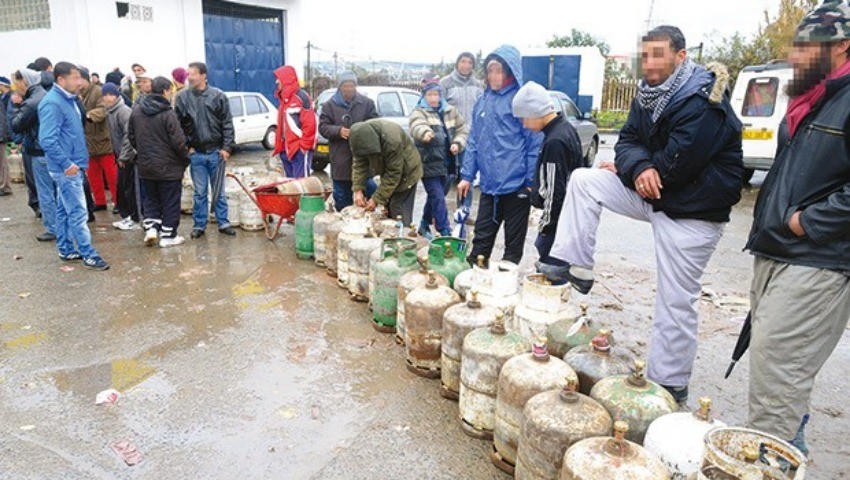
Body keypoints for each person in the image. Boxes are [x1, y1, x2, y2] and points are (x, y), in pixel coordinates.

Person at [540, 26, 743, 406]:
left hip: (692, 210)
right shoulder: (648, 96)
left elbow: (677, 166)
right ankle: (577, 267)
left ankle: (670, 383)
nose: (649, 63)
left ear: (681, 56)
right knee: (585, 179)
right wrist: (636, 168)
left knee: (675, 299)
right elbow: (628, 142)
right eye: (645, 54)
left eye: (658, 54)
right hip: (654, 193)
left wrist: (639, 168)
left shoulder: (704, 101)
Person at [744, 1, 850, 455]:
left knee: (778, 373)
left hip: (819, 258)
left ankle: (771, 461)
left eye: (808, 45)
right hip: (779, 249)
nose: (795, 55)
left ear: (842, 45)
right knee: (778, 372)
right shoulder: (813, 96)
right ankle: (789, 450)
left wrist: (808, 222)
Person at [457, 45, 542, 265]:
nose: (494, 76)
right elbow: (474, 140)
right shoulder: (483, 101)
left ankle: (504, 290)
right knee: (480, 243)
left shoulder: (520, 101)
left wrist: (531, 181)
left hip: (517, 186)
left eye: (499, 70)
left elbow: (533, 142)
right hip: (489, 186)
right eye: (490, 70)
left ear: (510, 72)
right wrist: (467, 175)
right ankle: (475, 282)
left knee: (512, 248)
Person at [38, 62, 108, 270]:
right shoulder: (53, 103)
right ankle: (89, 254)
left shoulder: (69, 100)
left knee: (64, 209)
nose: (80, 82)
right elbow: (47, 140)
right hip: (66, 167)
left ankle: (66, 248)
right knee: (78, 212)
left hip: (73, 164)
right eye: (75, 77)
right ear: (61, 79)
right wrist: (67, 164)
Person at [511, 81, 584, 265]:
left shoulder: (555, 141)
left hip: (557, 226)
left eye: (523, 117)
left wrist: (546, 228)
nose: (524, 124)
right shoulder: (566, 129)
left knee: (552, 276)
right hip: (567, 218)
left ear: (535, 112)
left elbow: (555, 190)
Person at [174, 61, 236, 239]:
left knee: (219, 191)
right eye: (188, 74)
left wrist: (226, 148)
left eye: (193, 73)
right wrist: (188, 147)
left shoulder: (218, 96)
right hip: (197, 154)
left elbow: (227, 123)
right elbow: (178, 126)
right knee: (199, 192)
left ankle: (223, 222)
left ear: (203, 75)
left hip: (217, 152)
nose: (190, 77)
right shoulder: (183, 98)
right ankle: (199, 224)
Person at [129, 76, 190, 248]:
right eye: (170, 91)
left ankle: (152, 228)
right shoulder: (167, 113)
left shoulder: (137, 111)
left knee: (151, 199)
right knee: (170, 200)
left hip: (146, 165)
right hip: (169, 167)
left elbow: (132, 137)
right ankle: (168, 235)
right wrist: (185, 160)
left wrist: (143, 153)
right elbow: (178, 142)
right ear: (165, 91)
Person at [409, 79, 469, 238]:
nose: (433, 98)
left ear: (441, 95)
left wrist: (457, 143)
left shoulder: (451, 111)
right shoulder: (419, 111)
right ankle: (445, 231)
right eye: (429, 94)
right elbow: (417, 125)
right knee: (437, 197)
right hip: (428, 163)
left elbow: (463, 130)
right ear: (424, 96)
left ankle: (424, 224)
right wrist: (425, 133)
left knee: (437, 196)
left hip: (448, 163)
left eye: (436, 94)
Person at [318, 71, 379, 210]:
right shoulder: (329, 106)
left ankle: (367, 222)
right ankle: (343, 222)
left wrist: (362, 131)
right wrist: (338, 131)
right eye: (346, 86)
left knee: (370, 190)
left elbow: (375, 123)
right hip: (340, 159)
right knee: (341, 197)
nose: (349, 89)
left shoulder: (366, 103)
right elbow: (323, 127)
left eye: (352, 86)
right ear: (340, 87)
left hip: (363, 157)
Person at [10, 68, 56, 241]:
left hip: (39, 151)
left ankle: (52, 228)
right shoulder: (47, 95)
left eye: (17, 82)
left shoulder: (31, 102)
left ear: (25, 81)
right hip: (52, 150)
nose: (16, 87)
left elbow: (16, 125)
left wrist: (15, 105)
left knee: (45, 192)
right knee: (57, 191)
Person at [349, 119, 422, 225]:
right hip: (389, 171)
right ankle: (390, 236)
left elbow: (393, 173)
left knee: (397, 209)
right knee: (387, 209)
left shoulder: (392, 139)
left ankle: (402, 236)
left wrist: (376, 199)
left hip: (407, 173)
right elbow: (359, 165)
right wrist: (357, 190)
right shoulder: (360, 138)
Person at [441, 52, 484, 210]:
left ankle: (464, 211)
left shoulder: (478, 85)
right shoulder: (445, 83)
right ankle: (435, 210)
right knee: (447, 176)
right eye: (463, 62)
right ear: (457, 63)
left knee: (467, 176)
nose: (466, 65)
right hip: (450, 137)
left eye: (470, 63)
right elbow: (439, 108)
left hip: (471, 138)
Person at [80, 67, 119, 212]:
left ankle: (118, 202)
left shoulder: (97, 91)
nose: (77, 83)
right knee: (93, 177)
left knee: (112, 176)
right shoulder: (77, 94)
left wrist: (87, 115)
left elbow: (103, 110)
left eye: (80, 79)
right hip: (88, 143)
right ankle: (100, 202)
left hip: (103, 141)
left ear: (86, 79)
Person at [103, 82, 140, 231]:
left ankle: (134, 218)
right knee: (121, 188)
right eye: (105, 95)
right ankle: (127, 217)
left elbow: (129, 135)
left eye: (110, 94)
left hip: (128, 157)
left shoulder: (123, 111)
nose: (108, 98)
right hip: (119, 155)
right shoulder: (110, 111)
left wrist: (124, 156)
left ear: (117, 95)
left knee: (129, 189)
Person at [272, 65, 316, 178]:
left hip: (299, 150)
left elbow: (310, 124)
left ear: (286, 79)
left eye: (279, 78)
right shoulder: (283, 99)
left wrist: (304, 147)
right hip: (286, 150)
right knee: (291, 187)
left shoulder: (302, 97)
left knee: (302, 186)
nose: (277, 82)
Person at [0, 76, 12, 196]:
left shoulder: (8, 98)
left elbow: (3, 119)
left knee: (3, 162)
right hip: (3, 132)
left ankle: (5, 186)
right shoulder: (3, 97)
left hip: (2, 134)